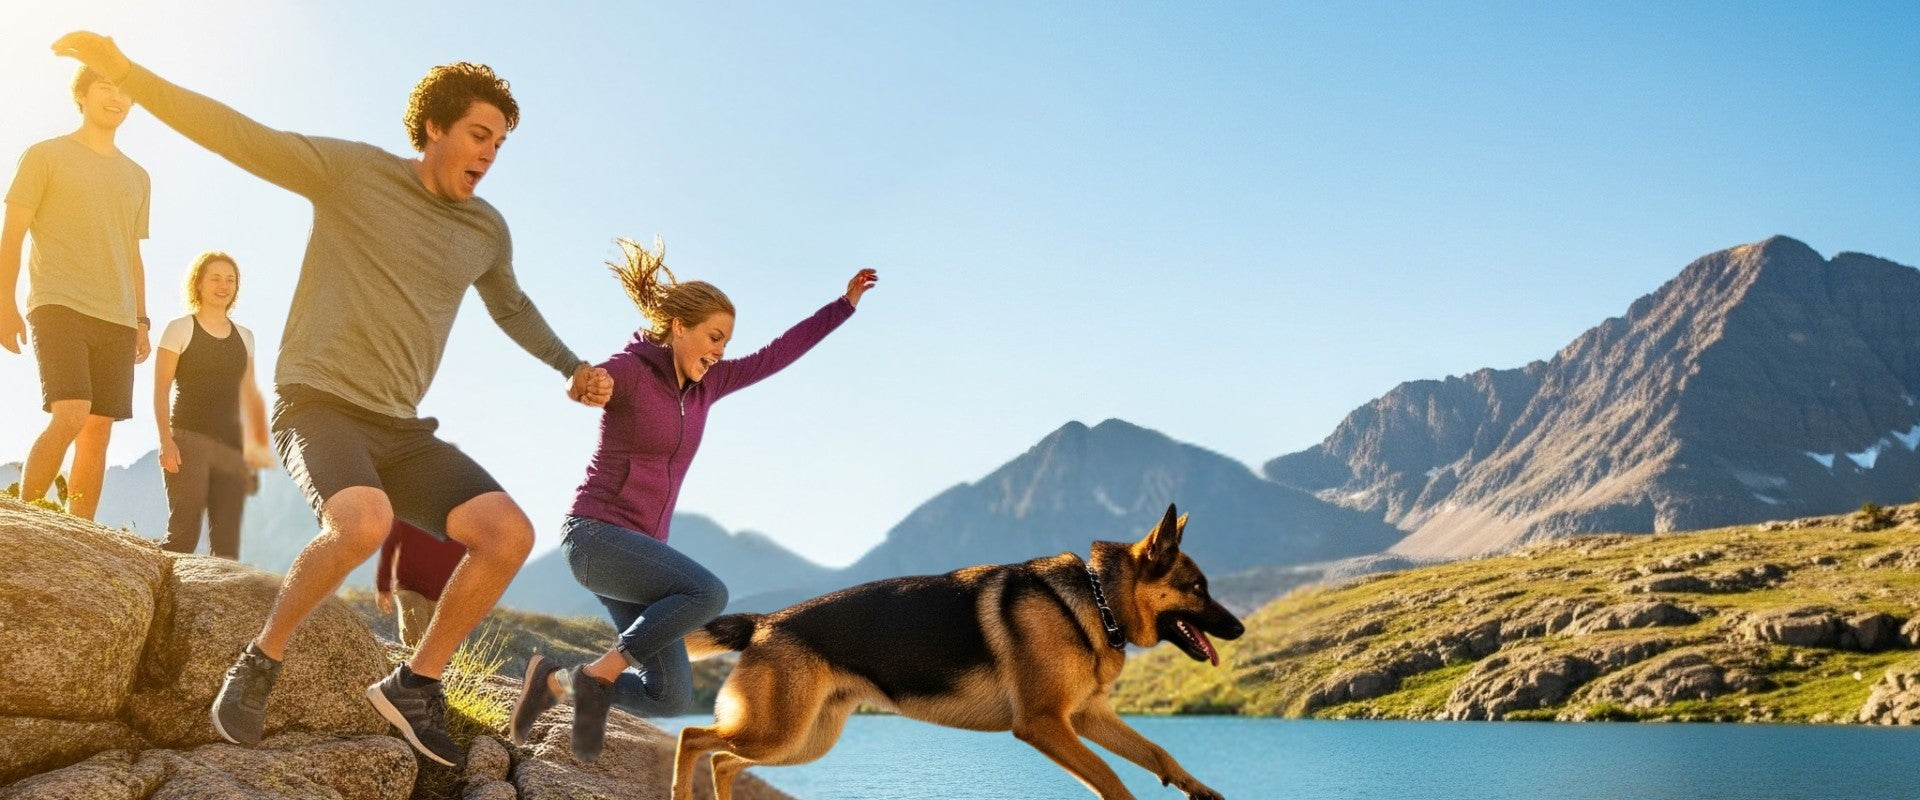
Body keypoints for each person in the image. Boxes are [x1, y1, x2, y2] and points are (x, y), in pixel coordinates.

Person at [52, 32, 613, 767]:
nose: (488, 153)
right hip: (316, 405)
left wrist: (569, 365)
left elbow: (511, 307)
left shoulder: (485, 230)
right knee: (362, 523)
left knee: (507, 534)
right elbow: (238, 136)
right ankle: (260, 660)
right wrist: (130, 75)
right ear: (435, 127)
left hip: (402, 429)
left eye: (500, 144)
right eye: (478, 134)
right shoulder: (352, 173)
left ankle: (417, 682)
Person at [508, 235, 876, 761]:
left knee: (670, 696)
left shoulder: (710, 385)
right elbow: (591, 381)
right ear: (679, 327)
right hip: (597, 537)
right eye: (713, 336)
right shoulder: (632, 371)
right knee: (709, 592)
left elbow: (778, 354)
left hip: (641, 555)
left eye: (725, 342)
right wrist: (581, 385)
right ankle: (598, 677)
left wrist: (843, 307)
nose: (719, 351)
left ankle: (554, 683)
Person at [2, 63, 152, 521]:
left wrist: (141, 319)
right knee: (70, 413)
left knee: (98, 429)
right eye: (106, 87)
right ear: (82, 96)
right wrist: (5, 301)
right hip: (58, 302)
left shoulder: (138, 176)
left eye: (126, 93)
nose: (117, 98)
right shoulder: (45, 155)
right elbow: (13, 233)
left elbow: (132, 253)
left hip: (118, 316)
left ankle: (79, 532)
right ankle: (23, 525)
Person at [153, 250, 272, 559]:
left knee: (226, 546)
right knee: (182, 535)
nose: (224, 285)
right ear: (199, 284)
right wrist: (166, 441)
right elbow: (160, 389)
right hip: (188, 439)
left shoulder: (245, 337)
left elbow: (249, 394)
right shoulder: (179, 329)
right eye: (216, 278)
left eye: (230, 280)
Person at [377, 519, 468, 648]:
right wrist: (383, 586)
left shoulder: (462, 522)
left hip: (443, 593)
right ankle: (412, 664)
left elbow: (473, 559)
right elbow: (389, 547)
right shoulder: (410, 515)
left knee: (436, 646)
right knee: (416, 637)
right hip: (409, 586)